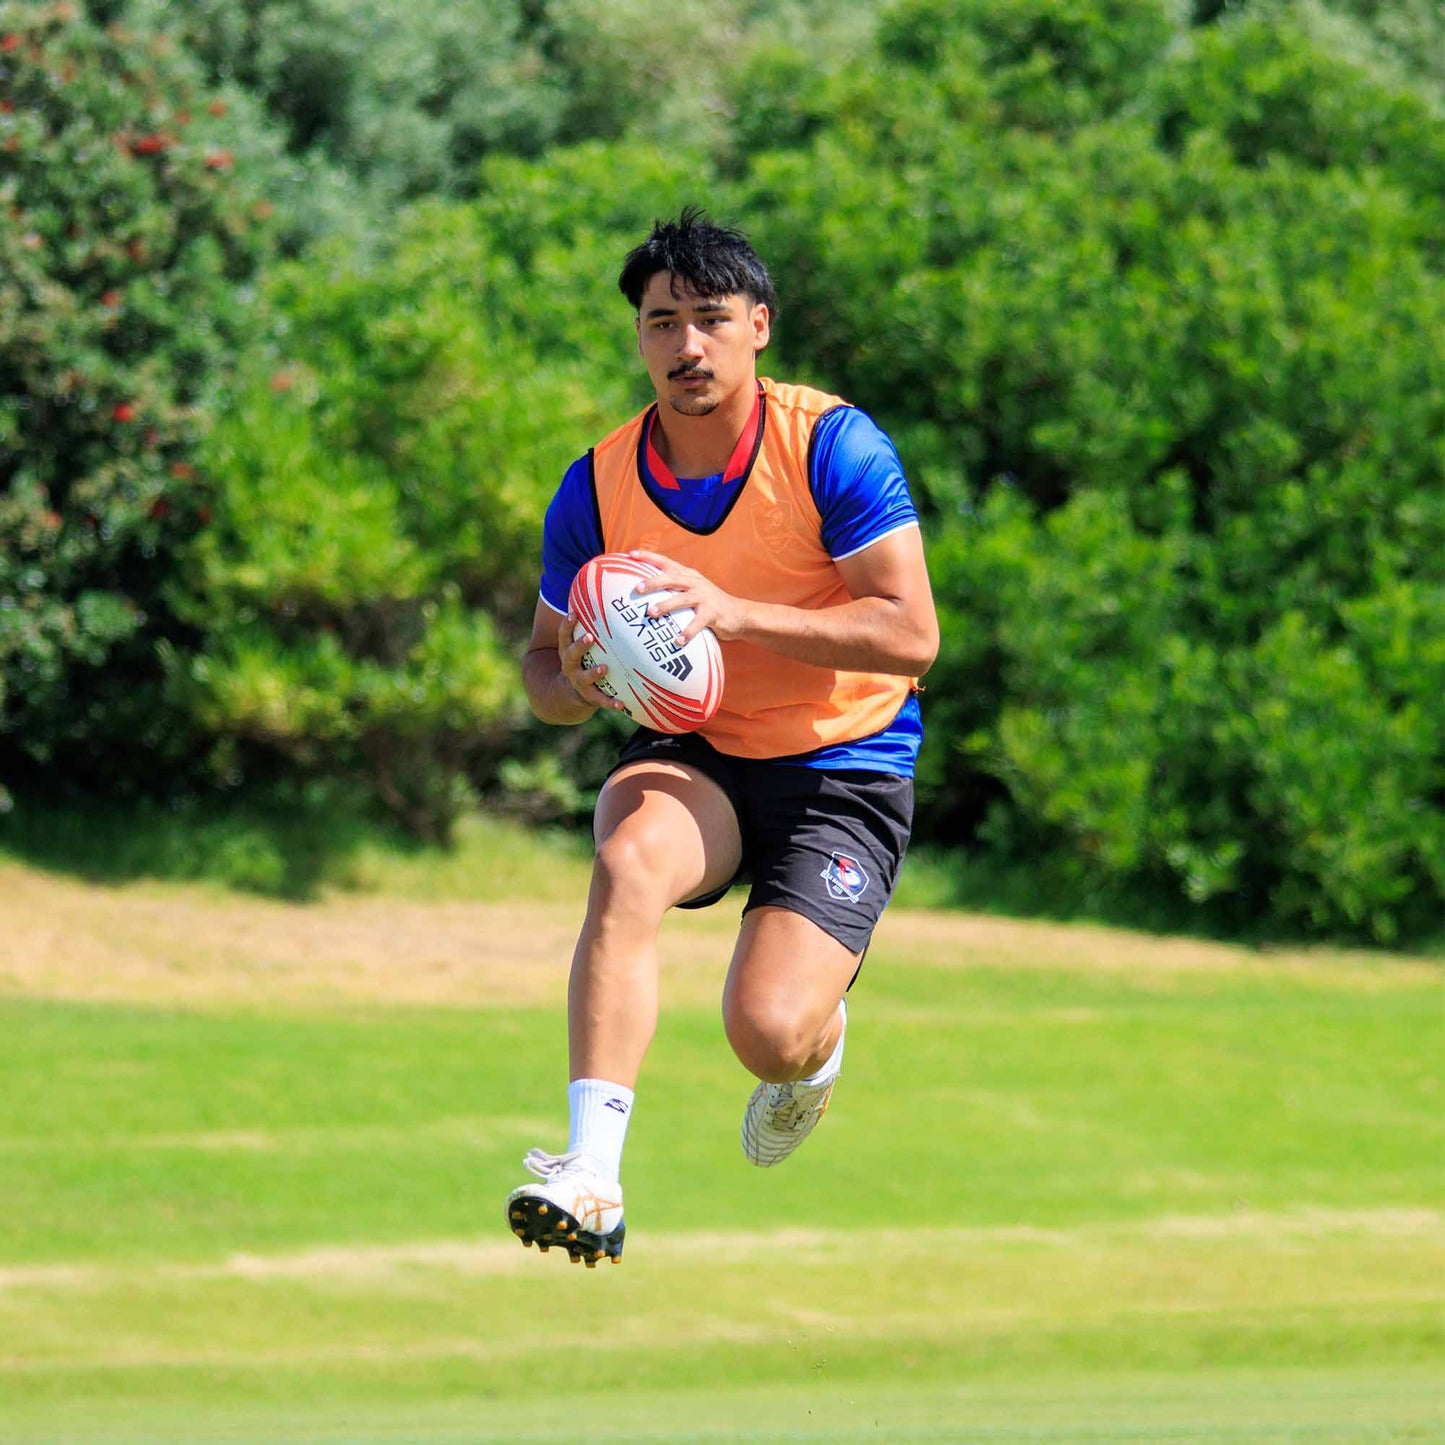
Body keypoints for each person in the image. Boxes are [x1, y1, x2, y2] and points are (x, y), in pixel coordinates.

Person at [505, 208, 939, 1266]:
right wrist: (581, 679)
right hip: (700, 752)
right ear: (638, 338)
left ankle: (816, 1045)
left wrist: (732, 612)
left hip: (842, 761)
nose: (684, 345)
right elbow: (538, 671)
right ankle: (594, 1174)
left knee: (765, 1032)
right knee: (626, 855)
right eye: (660, 322)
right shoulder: (599, 483)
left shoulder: (830, 443)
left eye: (707, 318)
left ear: (758, 325)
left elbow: (909, 634)